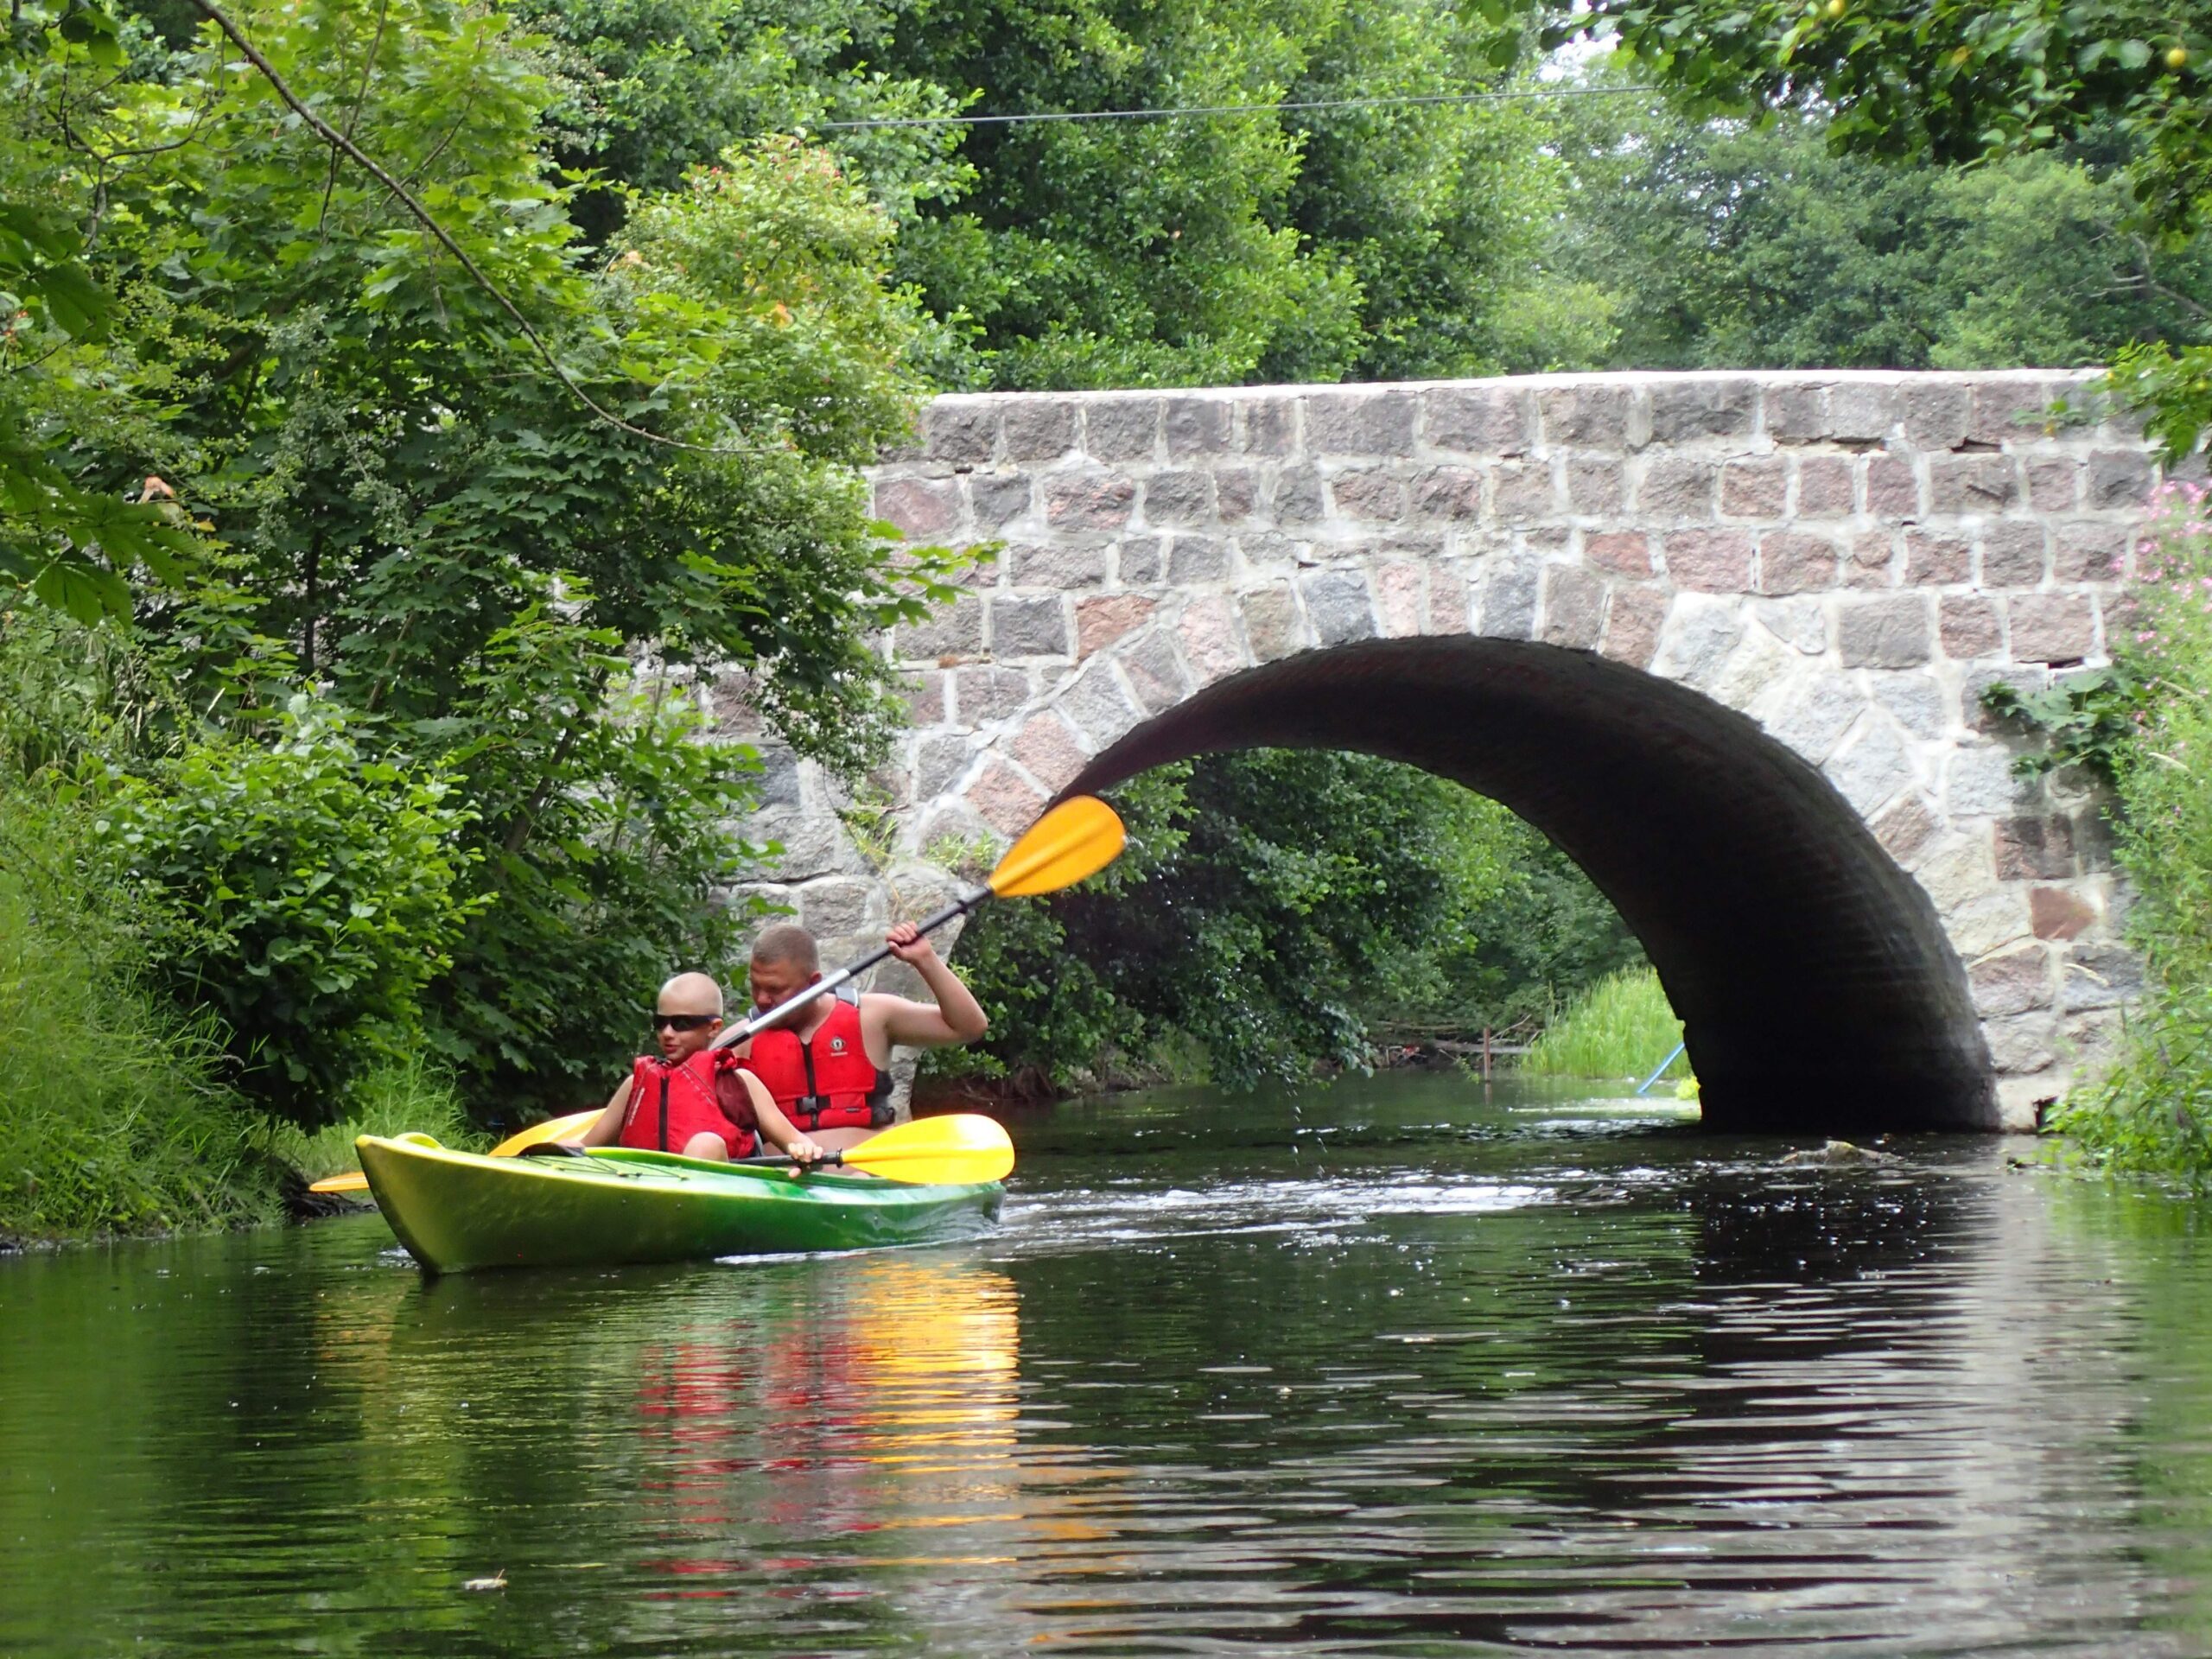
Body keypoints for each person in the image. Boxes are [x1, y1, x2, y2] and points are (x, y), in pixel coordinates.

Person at [732, 920, 988, 1154]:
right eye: (756, 986)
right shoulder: (741, 1040)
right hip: (783, 1187)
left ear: (815, 983)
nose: (762, 999)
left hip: (868, 1180)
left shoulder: (873, 1017)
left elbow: (968, 1027)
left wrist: (926, 960)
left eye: (775, 989)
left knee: (863, 1174)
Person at [573, 971, 825, 1164]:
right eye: (660, 1023)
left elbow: (795, 1140)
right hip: (648, 1194)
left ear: (714, 1028)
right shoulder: (635, 1086)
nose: (667, 1033)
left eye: (681, 1023)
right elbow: (585, 1145)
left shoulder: (737, 1081)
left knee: (706, 1143)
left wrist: (803, 1149)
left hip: (722, 1197)